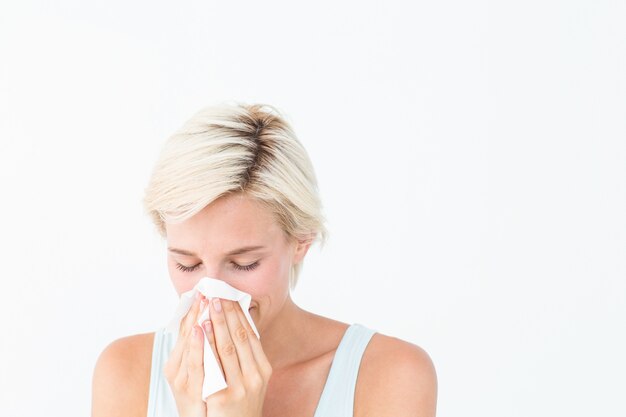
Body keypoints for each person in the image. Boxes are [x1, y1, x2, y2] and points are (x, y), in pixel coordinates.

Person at [91, 103, 438, 417]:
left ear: (301, 240)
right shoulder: (126, 373)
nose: (211, 294)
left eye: (244, 264)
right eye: (188, 265)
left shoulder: (391, 375)